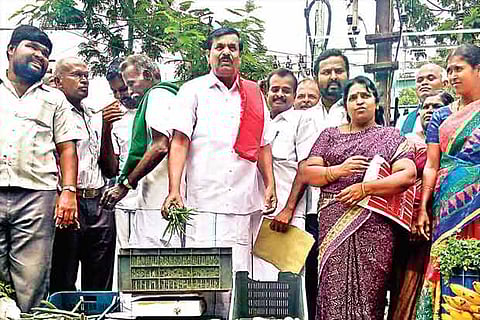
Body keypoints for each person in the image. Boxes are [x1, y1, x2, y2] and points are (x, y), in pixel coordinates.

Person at [277, 75, 416, 319]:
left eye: (365, 96)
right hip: (333, 225)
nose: (359, 102)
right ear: (346, 105)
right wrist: (337, 170)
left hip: (375, 226)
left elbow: (407, 175)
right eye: (353, 98)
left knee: (371, 294)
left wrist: (365, 189)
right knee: (332, 289)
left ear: (376, 101)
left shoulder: (392, 136)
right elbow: (307, 172)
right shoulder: (329, 135)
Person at [162, 27, 276, 273]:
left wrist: (270, 185)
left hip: (242, 202)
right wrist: (174, 190)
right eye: (219, 47)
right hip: (202, 202)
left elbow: (263, 144)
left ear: (240, 56)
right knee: (203, 274)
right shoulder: (192, 91)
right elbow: (179, 142)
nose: (226, 53)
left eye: (232, 48)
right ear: (208, 55)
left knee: (239, 274)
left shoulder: (254, 94)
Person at [0, 25, 81, 311]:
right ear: (11, 50)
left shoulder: (54, 98)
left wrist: (68, 192)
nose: (40, 55)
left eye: (45, 53)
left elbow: (67, 149)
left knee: (31, 280)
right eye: (32, 47)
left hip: (36, 197)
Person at [415, 44, 480, 320]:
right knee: (445, 260)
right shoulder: (441, 115)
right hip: (447, 201)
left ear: (478, 70)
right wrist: (423, 206)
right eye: (450, 70)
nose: (453, 76)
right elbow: (432, 164)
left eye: (459, 69)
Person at [50, 57, 119, 292]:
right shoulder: (52, 114)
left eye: (86, 75)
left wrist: (107, 127)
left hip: (98, 200)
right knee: (63, 275)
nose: (84, 80)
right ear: (58, 82)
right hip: (69, 200)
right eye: (77, 75)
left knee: (100, 278)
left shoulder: (93, 115)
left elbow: (111, 169)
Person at [101, 54, 179, 247]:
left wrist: (125, 184)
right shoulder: (172, 96)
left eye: (131, 84)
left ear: (147, 75)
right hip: (157, 196)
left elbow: (160, 146)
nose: (129, 92)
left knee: (154, 262)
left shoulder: (158, 95)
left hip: (159, 196)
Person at [389, 90, 453, 320]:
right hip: (409, 225)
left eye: (436, 107)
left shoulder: (454, 150)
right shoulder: (409, 142)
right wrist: (416, 213)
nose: (429, 112)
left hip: (445, 220)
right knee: (403, 285)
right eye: (425, 107)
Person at [296, 49, 350, 318]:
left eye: (338, 71)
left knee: (344, 279)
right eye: (326, 72)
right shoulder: (303, 116)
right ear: (317, 77)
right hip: (310, 213)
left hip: (349, 209)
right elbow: (301, 167)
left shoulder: (357, 110)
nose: (332, 77)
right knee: (311, 279)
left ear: (348, 75)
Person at [254, 68, 315, 279]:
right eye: (275, 89)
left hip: (287, 213)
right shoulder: (260, 121)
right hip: (257, 210)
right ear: (266, 92)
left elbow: (305, 168)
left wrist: (288, 210)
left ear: (295, 95)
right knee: (256, 276)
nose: (279, 94)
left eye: (286, 91)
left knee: (286, 277)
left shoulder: (302, 120)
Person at [104, 58, 138, 248]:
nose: (119, 96)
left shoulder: (157, 108)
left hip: (155, 200)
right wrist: (105, 128)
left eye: (123, 89)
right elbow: (112, 168)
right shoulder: (114, 116)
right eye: (114, 91)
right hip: (124, 201)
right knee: (125, 255)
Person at [397, 63, 448, 135]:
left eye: (430, 79)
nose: (424, 83)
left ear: (445, 84)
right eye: (420, 80)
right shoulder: (403, 121)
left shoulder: (457, 114)